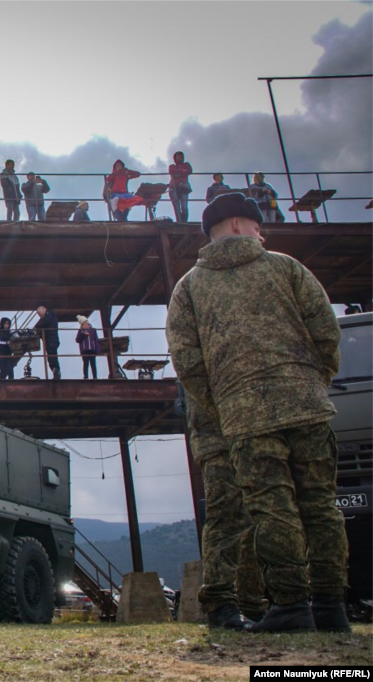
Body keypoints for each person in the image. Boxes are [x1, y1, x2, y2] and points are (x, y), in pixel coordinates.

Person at [166, 192, 349, 634]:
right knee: (321, 506)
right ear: (235, 224)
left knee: (271, 508)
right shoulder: (287, 267)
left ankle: (292, 605)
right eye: (256, 224)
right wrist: (312, 382)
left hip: (244, 418)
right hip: (307, 405)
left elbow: (186, 360)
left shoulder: (188, 287)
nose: (261, 232)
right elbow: (326, 332)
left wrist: (226, 403)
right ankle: (330, 606)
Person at [186, 394, 266, 631]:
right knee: (226, 518)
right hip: (219, 437)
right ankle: (221, 603)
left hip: (256, 434)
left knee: (256, 519)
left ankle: (253, 604)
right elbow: (193, 379)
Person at [34, 305, 61, 380]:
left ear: (43, 309)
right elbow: (41, 324)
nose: (38, 315)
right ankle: (55, 371)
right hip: (48, 340)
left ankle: (56, 371)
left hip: (51, 339)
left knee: (52, 356)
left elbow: (45, 322)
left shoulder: (50, 314)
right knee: (50, 356)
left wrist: (37, 327)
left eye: (39, 313)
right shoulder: (45, 317)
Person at [167, 151, 193, 222]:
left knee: (184, 207)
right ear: (175, 158)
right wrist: (183, 171)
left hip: (183, 186)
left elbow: (189, 171)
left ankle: (184, 222)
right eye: (179, 155)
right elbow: (172, 171)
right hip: (173, 187)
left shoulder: (186, 164)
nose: (181, 156)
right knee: (176, 207)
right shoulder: (172, 166)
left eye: (182, 155)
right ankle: (179, 222)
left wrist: (177, 173)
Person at [75, 315, 100, 379]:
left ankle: (95, 377)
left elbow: (96, 340)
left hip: (92, 350)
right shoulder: (81, 331)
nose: (86, 324)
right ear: (82, 324)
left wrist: (97, 350)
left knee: (93, 364)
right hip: (84, 350)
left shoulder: (93, 330)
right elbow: (77, 340)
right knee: (86, 364)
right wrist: (83, 334)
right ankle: (86, 376)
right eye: (84, 323)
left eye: (86, 322)